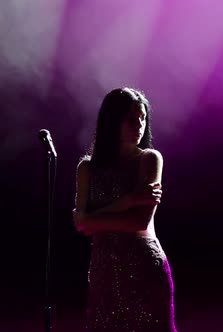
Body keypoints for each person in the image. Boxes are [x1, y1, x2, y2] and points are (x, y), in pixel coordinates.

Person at [72, 87, 177, 331]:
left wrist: (92, 219)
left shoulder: (149, 159)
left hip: (143, 267)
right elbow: (81, 224)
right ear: (112, 121)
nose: (139, 125)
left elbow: (138, 223)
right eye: (131, 119)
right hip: (104, 273)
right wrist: (127, 201)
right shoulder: (87, 168)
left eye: (142, 118)